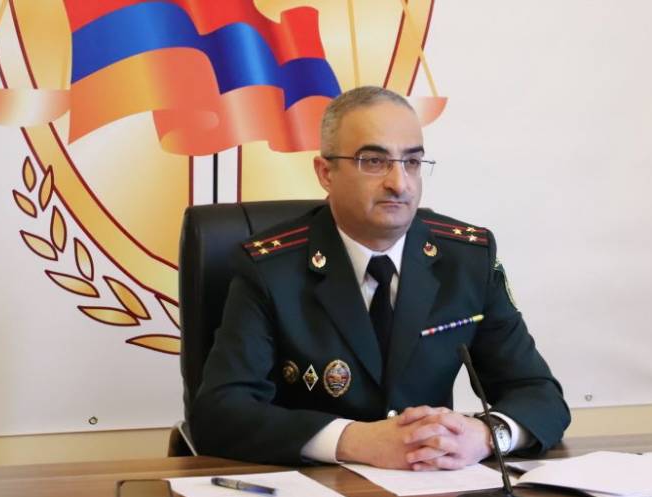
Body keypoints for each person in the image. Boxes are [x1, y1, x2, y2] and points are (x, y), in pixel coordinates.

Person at [189, 86, 570, 470]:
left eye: (412, 162)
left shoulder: (467, 258)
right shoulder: (270, 268)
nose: (400, 183)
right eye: (374, 161)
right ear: (326, 173)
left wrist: (488, 435)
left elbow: (540, 395)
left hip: (433, 483)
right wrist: (352, 440)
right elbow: (220, 413)